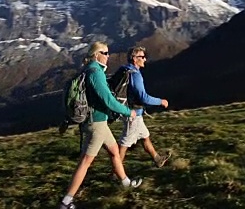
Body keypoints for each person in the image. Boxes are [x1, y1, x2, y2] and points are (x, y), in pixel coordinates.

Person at [59, 42, 143, 209]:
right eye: (104, 53)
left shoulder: (88, 70)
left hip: (98, 123)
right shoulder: (95, 73)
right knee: (85, 162)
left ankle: (126, 182)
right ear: (96, 55)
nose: (108, 56)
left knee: (114, 152)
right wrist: (128, 112)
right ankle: (66, 201)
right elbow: (108, 100)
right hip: (95, 124)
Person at [118, 46, 172, 168]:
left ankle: (157, 159)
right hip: (133, 113)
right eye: (142, 57)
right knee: (124, 144)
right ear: (134, 59)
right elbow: (143, 97)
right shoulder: (135, 75)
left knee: (145, 136)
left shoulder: (125, 70)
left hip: (132, 112)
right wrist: (160, 101)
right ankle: (116, 172)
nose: (145, 59)